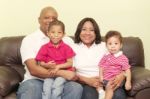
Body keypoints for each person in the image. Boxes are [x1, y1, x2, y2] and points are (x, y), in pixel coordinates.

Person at [17, 6, 83, 99]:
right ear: (39, 20)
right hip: (36, 81)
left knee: (76, 88)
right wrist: (62, 73)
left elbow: (74, 64)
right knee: (32, 88)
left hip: (62, 81)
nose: (50, 20)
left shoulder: (67, 41)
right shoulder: (29, 40)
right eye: (46, 17)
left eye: (54, 18)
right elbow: (33, 70)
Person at [73, 17, 127, 99]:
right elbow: (70, 72)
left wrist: (122, 75)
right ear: (79, 31)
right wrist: (87, 80)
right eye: (84, 29)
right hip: (88, 83)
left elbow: (122, 62)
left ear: (96, 32)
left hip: (109, 81)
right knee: (89, 96)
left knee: (118, 96)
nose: (87, 33)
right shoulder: (73, 47)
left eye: (91, 30)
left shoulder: (105, 45)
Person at [35, 20, 76, 99]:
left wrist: (58, 67)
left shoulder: (67, 47)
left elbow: (70, 63)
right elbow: (41, 63)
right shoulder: (44, 47)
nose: (56, 35)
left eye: (59, 32)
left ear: (63, 34)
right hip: (49, 74)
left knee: (57, 87)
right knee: (46, 88)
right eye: (53, 32)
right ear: (48, 33)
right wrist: (47, 65)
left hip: (63, 74)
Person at [98, 30, 131, 99]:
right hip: (105, 79)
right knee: (97, 85)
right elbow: (101, 66)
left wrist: (128, 82)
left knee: (109, 87)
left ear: (120, 45)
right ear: (106, 45)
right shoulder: (106, 56)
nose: (113, 46)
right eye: (110, 44)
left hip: (116, 80)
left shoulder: (123, 58)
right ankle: (101, 92)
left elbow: (127, 71)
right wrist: (101, 76)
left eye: (116, 43)